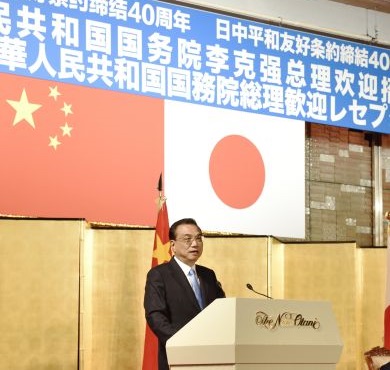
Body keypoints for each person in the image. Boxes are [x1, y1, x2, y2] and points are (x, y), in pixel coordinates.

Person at [144, 217, 225, 370]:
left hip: (213, 356)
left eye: (198, 238)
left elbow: (222, 311)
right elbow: (155, 315)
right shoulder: (159, 275)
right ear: (173, 245)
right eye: (187, 239)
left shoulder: (208, 275)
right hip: (179, 356)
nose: (195, 244)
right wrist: (181, 341)